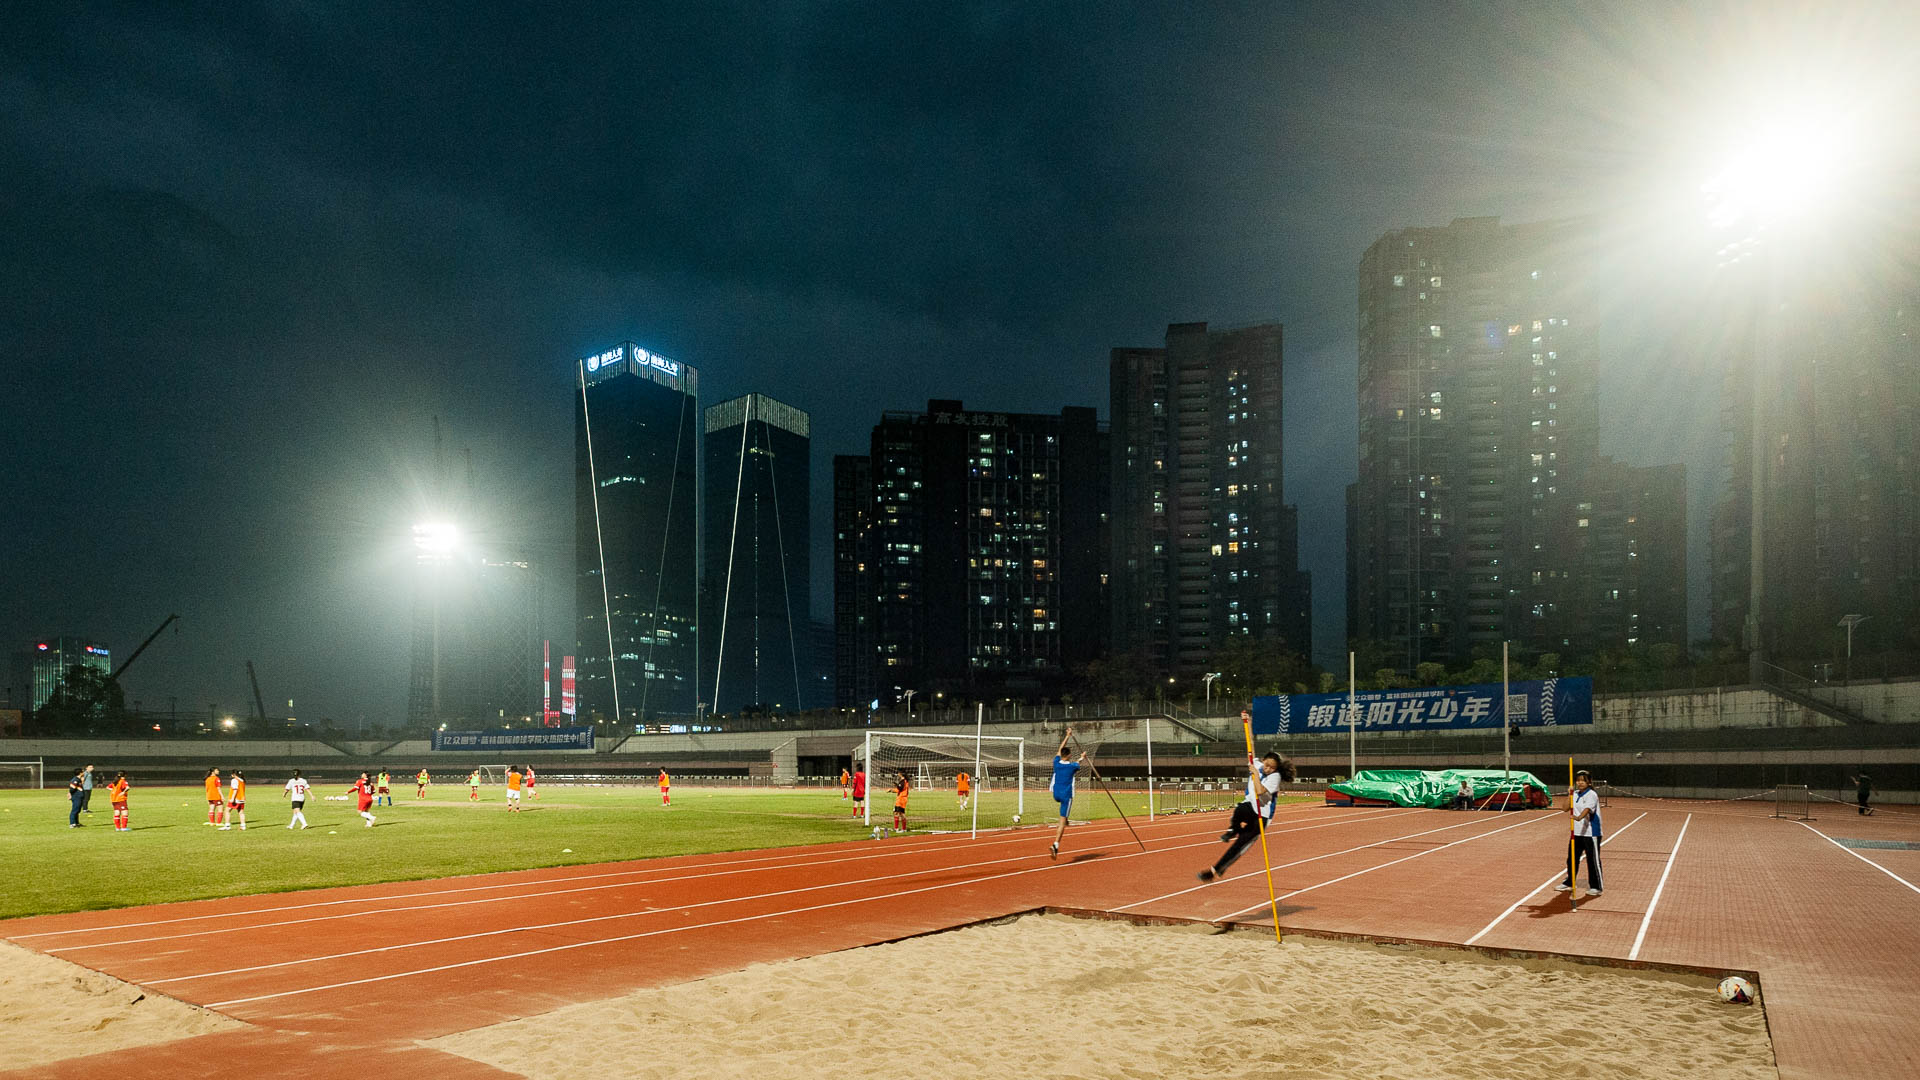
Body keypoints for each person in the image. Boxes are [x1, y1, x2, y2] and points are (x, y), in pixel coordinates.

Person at [1198, 750, 1295, 882]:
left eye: (1272, 768)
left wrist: (1255, 772)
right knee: (1239, 809)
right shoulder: (1256, 764)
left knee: (1240, 845)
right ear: (1263, 761)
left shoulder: (1275, 777)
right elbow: (1252, 751)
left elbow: (1260, 791)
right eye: (1266, 765)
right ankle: (1233, 829)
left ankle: (1215, 870)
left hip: (1262, 815)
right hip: (1250, 807)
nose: (1268, 769)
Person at [1556, 770, 1603, 898]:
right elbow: (1564, 808)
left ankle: (1596, 886)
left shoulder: (1592, 794)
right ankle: (1570, 882)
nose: (1580, 783)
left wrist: (1579, 817)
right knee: (1572, 859)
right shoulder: (1575, 794)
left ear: (1589, 781)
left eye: (1583, 780)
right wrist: (1569, 794)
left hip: (1591, 832)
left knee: (1592, 860)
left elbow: (1587, 809)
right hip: (1576, 832)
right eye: (1578, 780)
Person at [1048, 729, 1087, 860]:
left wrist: (1067, 736)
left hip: (1055, 794)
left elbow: (1059, 749)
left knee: (1065, 818)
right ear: (1069, 755)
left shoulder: (1056, 763)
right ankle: (1056, 844)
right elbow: (1079, 762)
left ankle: (1066, 819)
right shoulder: (1072, 766)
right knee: (1062, 822)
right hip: (1065, 796)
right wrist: (1083, 757)